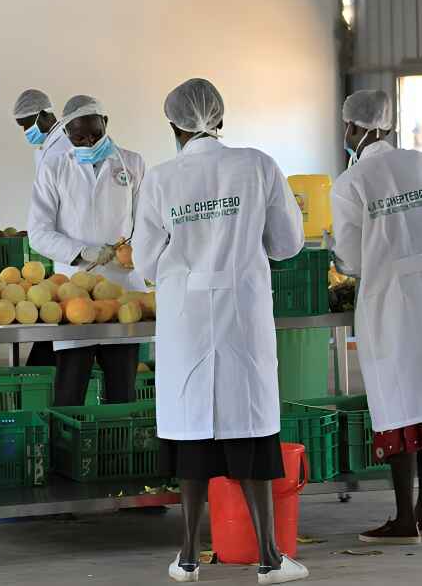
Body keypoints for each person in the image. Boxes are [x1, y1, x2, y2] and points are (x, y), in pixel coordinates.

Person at [133, 78, 308, 583]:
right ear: (221, 117)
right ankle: (270, 558)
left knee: (193, 438)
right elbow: (288, 242)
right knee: (250, 431)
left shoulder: (161, 179)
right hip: (242, 317)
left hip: (186, 321)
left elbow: (145, 260)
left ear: (174, 126)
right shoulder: (256, 165)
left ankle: (187, 556)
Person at [331, 89, 422, 544]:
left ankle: (406, 518)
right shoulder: (418, 163)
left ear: (353, 128)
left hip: (389, 302)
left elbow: (349, 260)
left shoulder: (351, 183)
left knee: (398, 404)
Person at [27, 95, 145, 406]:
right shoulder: (53, 167)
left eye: (95, 133)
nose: (89, 141)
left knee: (123, 394)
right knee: (69, 393)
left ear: (106, 123)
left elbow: (149, 222)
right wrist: (84, 252)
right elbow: (38, 233)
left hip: (123, 291)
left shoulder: (132, 163)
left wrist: (140, 250)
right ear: (66, 134)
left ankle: (119, 454)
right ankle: (71, 454)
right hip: (74, 292)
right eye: (79, 136)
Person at [13, 89, 71, 367]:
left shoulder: (63, 148)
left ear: (46, 114)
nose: (26, 131)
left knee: (61, 342)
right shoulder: (49, 147)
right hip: (61, 249)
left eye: (27, 123)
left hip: (70, 250)